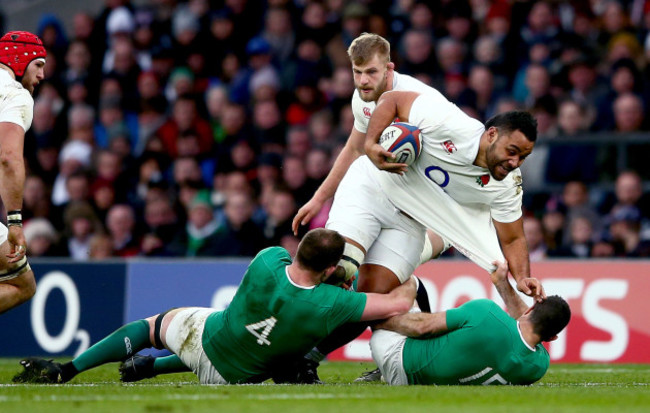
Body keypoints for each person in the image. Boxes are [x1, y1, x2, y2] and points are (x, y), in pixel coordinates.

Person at [291, 33, 544, 382]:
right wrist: (367, 150)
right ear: (490, 136)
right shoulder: (449, 123)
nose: (515, 162)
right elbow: (390, 104)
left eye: (524, 157)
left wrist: (523, 277)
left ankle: (307, 358)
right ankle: (281, 343)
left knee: (373, 293)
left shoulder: (507, 186)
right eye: (512, 151)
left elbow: (513, 239)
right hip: (371, 187)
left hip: (411, 217)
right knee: (340, 271)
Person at [13, 228, 417, 384]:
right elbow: (396, 301)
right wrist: (409, 268)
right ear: (331, 269)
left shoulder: (268, 258)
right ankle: (152, 368)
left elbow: (288, 262)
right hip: (235, 377)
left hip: (202, 337)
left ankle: (67, 370)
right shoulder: (334, 304)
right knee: (276, 354)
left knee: (151, 326)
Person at [371, 261, 571, 385]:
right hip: (408, 382)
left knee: (406, 279)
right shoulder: (537, 367)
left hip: (395, 353)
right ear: (552, 338)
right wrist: (502, 284)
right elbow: (523, 329)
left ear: (529, 309)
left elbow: (422, 327)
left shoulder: (486, 313)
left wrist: (381, 322)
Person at [0, 31, 46, 314]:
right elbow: (7, 157)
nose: (41, 75)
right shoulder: (14, 95)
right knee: (23, 285)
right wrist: (15, 221)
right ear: (20, 58)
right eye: (38, 64)